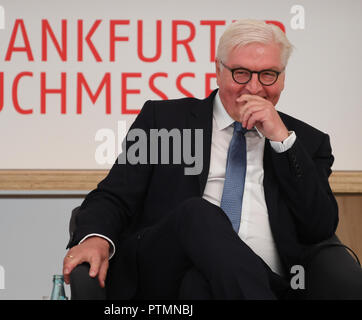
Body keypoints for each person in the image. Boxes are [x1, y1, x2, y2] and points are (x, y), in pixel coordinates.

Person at [63, 19, 338, 299]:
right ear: (218, 71)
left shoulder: (304, 142)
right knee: (197, 213)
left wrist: (282, 141)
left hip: (262, 282)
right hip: (162, 272)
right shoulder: (165, 123)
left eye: (268, 74)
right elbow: (113, 196)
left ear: (283, 77)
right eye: (241, 73)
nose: (254, 88)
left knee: (198, 286)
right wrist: (95, 237)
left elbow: (320, 227)